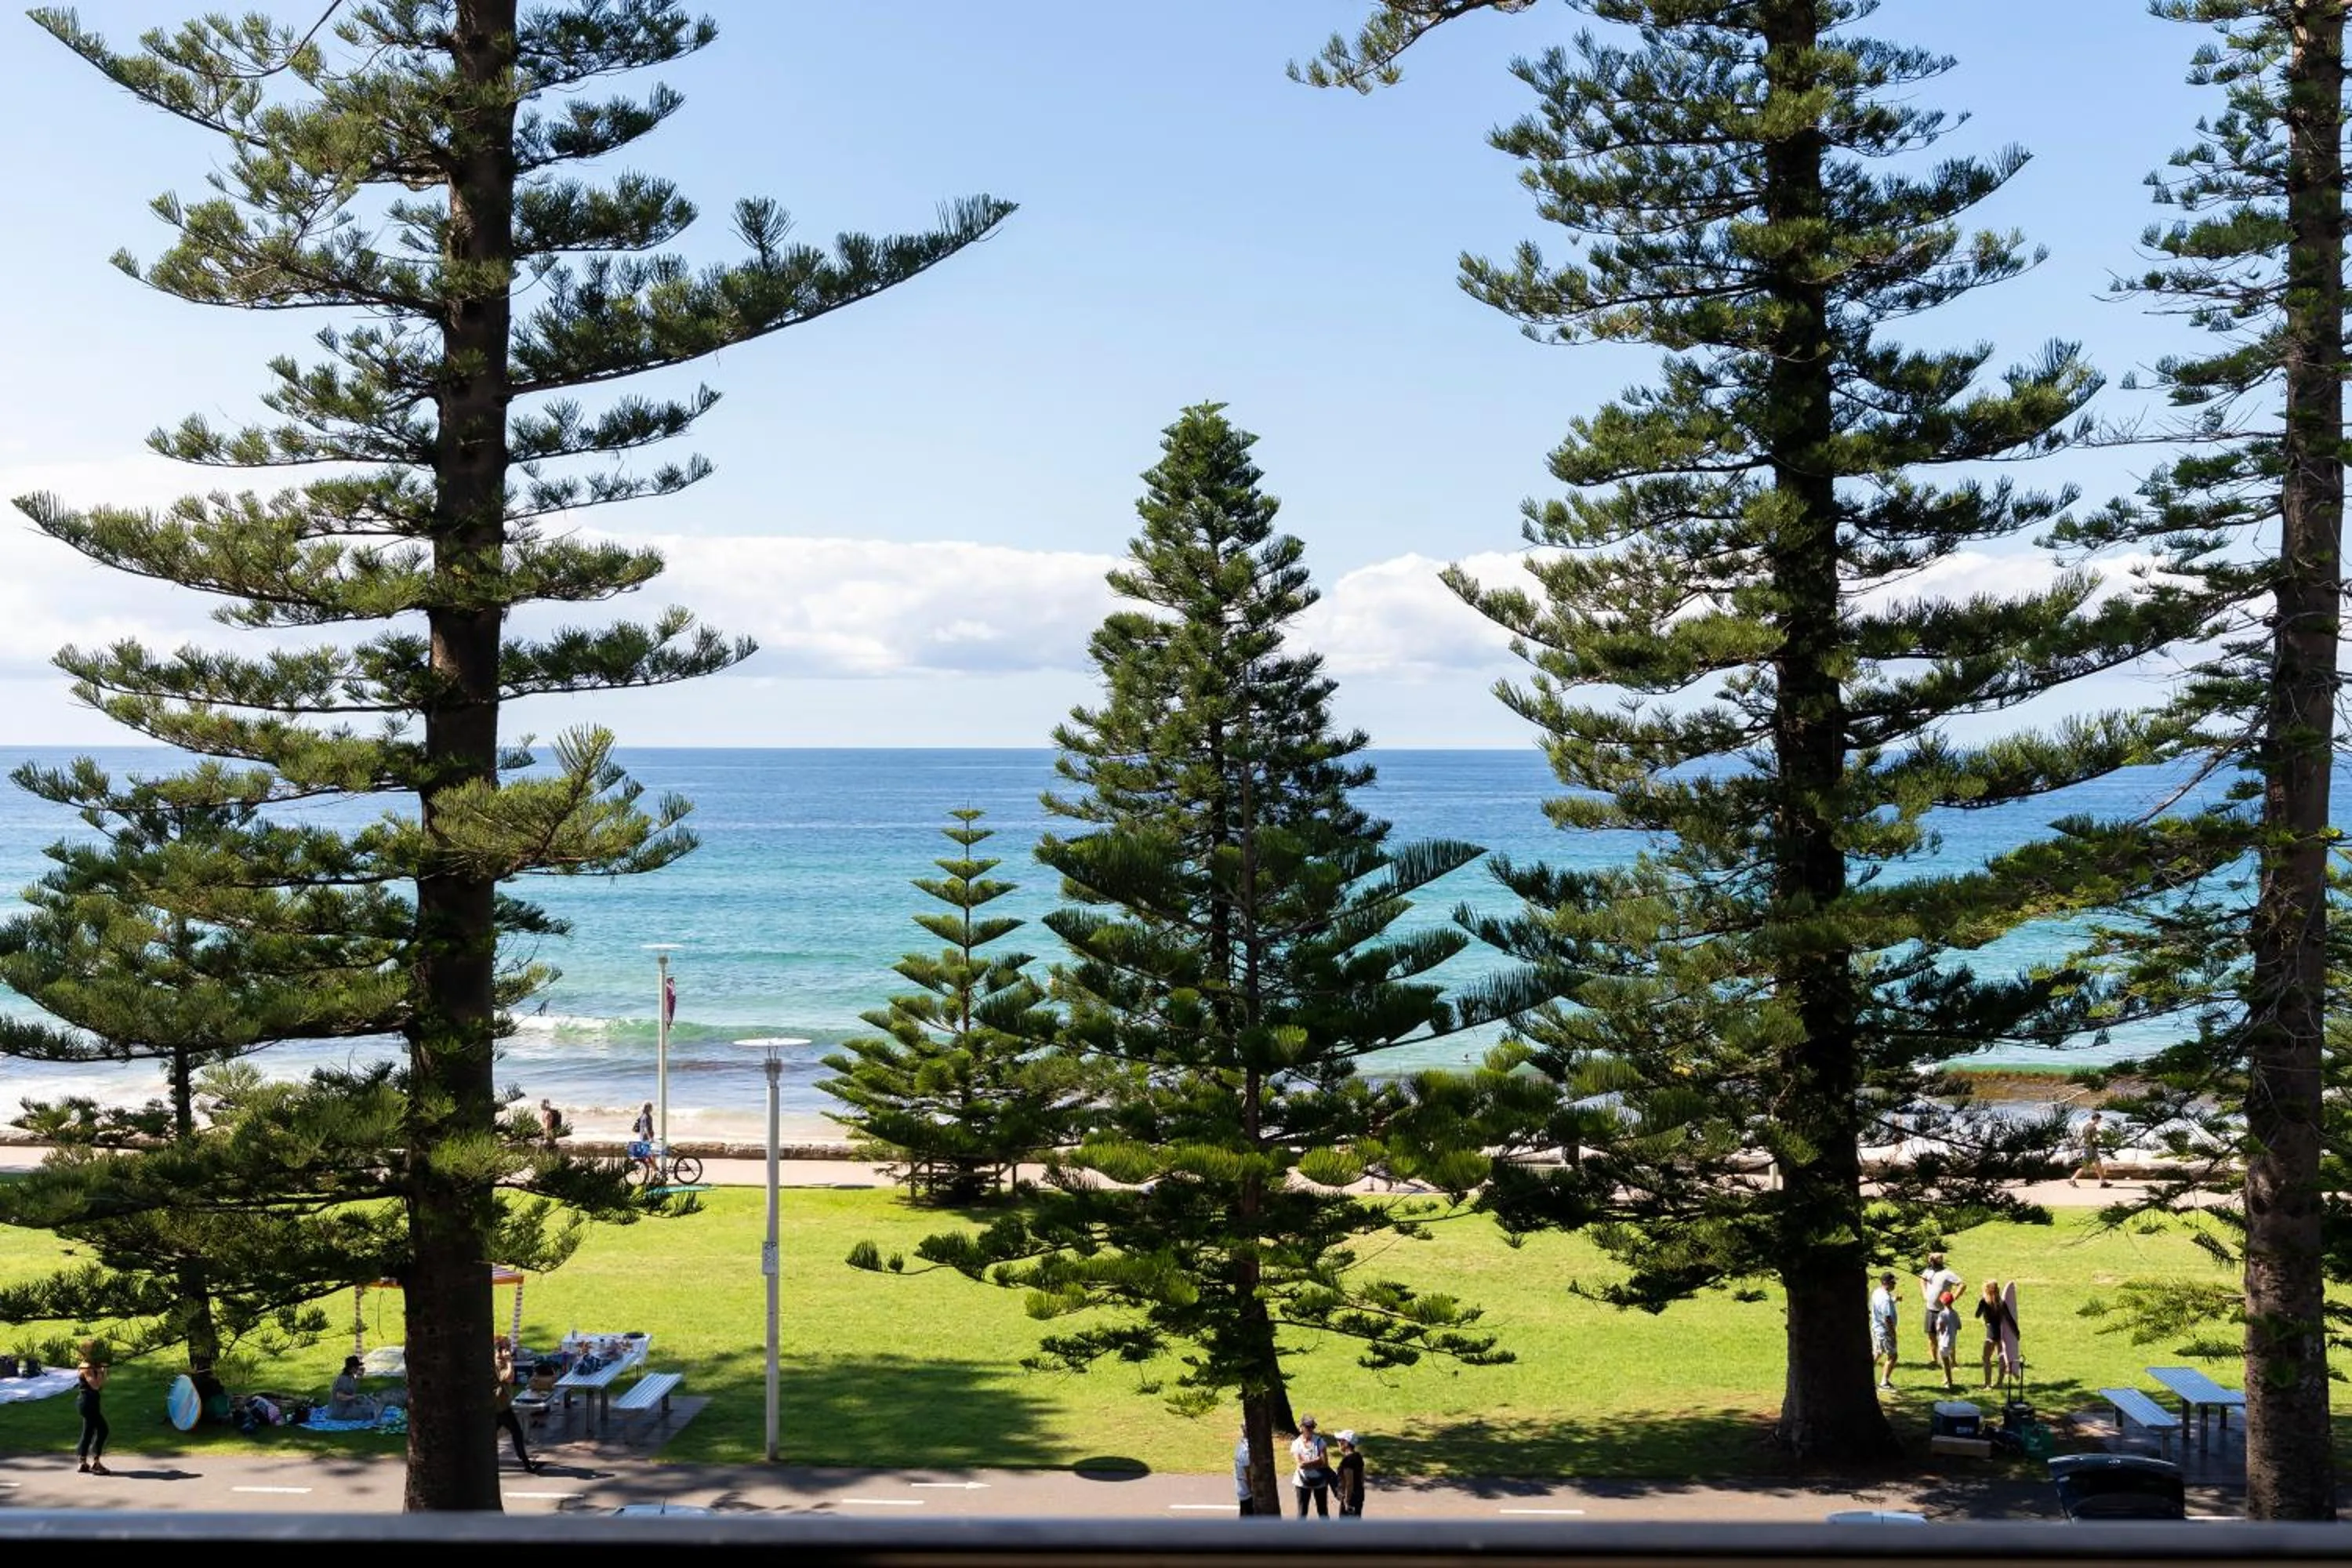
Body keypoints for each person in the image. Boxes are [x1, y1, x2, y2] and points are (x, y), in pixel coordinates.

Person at [495, 1336, 541, 1473]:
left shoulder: (497, 1360)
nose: (510, 1349)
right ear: (501, 1350)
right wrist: (509, 1361)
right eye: (507, 1346)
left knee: (491, 1435)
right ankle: (527, 1465)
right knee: (517, 1433)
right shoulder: (500, 1362)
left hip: (499, 1404)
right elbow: (509, 1378)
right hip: (501, 1406)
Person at [1918, 1251, 1962, 1361]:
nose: (1930, 1262)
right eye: (1930, 1260)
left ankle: (1953, 1362)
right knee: (1931, 1336)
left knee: (1948, 1338)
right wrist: (1924, 1293)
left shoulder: (1947, 1274)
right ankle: (1934, 1360)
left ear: (1940, 1261)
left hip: (1944, 1312)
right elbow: (1922, 1279)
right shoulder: (1928, 1272)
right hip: (1930, 1310)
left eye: (1933, 1260)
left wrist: (1953, 1298)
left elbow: (1962, 1284)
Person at [73, 1348, 109, 1475]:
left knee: (88, 1431)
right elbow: (95, 1385)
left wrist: (103, 1370)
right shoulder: (86, 1368)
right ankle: (96, 1462)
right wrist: (100, 1371)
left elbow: (102, 1383)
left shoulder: (93, 1366)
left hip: (92, 1402)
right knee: (103, 1429)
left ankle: (82, 1462)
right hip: (87, 1403)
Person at [1289, 1414, 1332, 1518]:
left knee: (1323, 1511)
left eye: (1312, 1427)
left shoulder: (1320, 1441)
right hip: (1302, 1482)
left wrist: (1309, 1463)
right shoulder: (1296, 1444)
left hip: (1320, 1481)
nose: (1310, 1429)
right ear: (1302, 1427)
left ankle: (1326, 1533)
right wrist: (1317, 1461)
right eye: (1308, 1427)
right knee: (1302, 1512)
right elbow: (1301, 1465)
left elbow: (1325, 1462)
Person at [1868, 1271, 1901, 1389]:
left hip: (1876, 1329)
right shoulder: (1886, 1299)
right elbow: (1887, 1317)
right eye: (1893, 1282)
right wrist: (1893, 1333)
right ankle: (1884, 1382)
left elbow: (1881, 1304)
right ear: (1886, 1283)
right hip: (1885, 1331)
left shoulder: (1878, 1292)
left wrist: (1894, 1299)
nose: (1895, 1284)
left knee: (1877, 1353)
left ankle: (1865, 1377)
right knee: (1893, 1355)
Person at [324, 1354, 378, 1421]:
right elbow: (339, 1396)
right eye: (357, 1367)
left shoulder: (350, 1376)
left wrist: (359, 1377)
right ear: (352, 1368)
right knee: (368, 1412)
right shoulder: (343, 1379)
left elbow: (352, 1389)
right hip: (340, 1412)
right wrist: (354, 1397)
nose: (358, 1368)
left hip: (347, 1406)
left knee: (370, 1404)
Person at [2070, 1110, 2111, 1188]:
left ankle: (2103, 1182)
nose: (2099, 1121)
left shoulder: (2086, 1126)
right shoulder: (2093, 1128)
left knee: (2098, 1165)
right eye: (2099, 1120)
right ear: (2095, 1119)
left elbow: (2085, 1137)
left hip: (2088, 1147)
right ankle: (2072, 1179)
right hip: (2091, 1149)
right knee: (2085, 1166)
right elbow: (2094, 1139)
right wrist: (2099, 1142)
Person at [1932, 1289, 1962, 1391]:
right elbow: (1959, 1326)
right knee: (1947, 1361)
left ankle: (1949, 1383)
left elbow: (1939, 1328)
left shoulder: (1942, 1314)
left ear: (1942, 1301)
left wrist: (1939, 1326)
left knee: (1945, 1364)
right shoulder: (1955, 1313)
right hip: (1952, 1341)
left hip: (1944, 1342)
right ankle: (1946, 1379)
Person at [1333, 1429, 1367, 1518]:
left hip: (1351, 1499)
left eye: (1340, 1440)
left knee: (1346, 1527)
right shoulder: (1358, 1456)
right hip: (1359, 1495)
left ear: (1346, 1443)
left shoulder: (1348, 1461)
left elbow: (1349, 1483)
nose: (1338, 1443)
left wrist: (1347, 1501)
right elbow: (1362, 1477)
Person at [630, 1101, 659, 1182]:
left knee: (651, 1155)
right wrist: (651, 1138)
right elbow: (646, 1129)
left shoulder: (642, 1116)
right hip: (646, 1139)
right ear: (648, 1108)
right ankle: (656, 1170)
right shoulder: (647, 1116)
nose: (652, 1108)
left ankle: (655, 1170)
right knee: (649, 1156)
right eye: (651, 1107)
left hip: (643, 1138)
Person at [1233, 1424, 1254, 1517]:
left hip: (1242, 1489)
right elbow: (1248, 1473)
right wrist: (1253, 1491)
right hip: (1247, 1493)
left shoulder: (1240, 1445)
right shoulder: (1246, 1449)